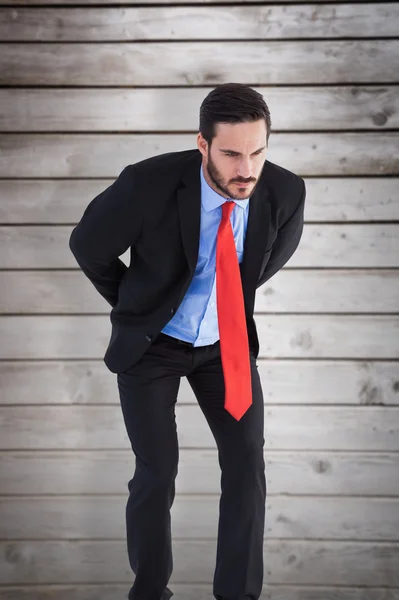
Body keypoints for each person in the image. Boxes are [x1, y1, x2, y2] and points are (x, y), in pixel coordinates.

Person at [69, 83, 306, 600]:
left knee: (247, 463)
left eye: (258, 151)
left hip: (226, 347)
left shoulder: (285, 192)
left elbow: (263, 264)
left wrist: (225, 307)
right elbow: (88, 246)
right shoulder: (146, 184)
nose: (246, 168)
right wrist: (137, 304)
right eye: (231, 153)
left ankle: (238, 594)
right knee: (157, 473)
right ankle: (150, 591)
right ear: (202, 144)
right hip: (152, 345)